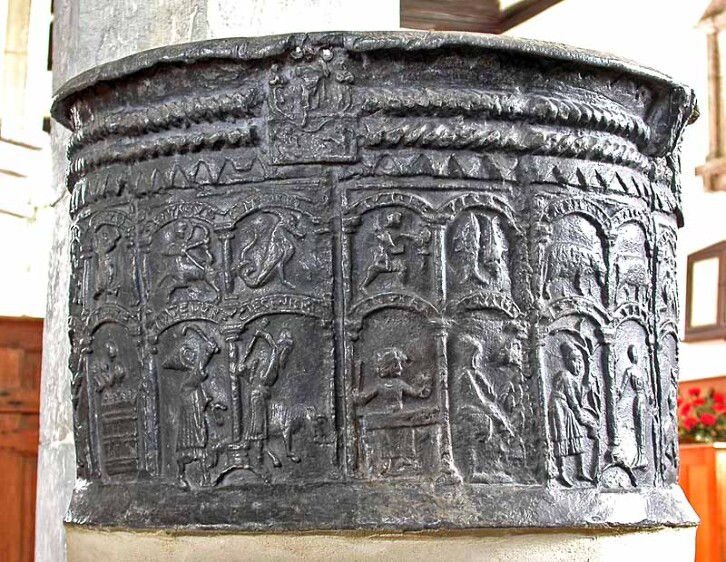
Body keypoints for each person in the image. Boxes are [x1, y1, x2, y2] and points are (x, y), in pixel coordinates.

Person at [355, 348, 431, 475]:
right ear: (389, 367)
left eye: (400, 364)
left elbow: (415, 393)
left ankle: (402, 460)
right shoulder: (386, 385)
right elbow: (363, 399)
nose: (400, 367)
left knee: (404, 433)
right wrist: (357, 397)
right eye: (397, 364)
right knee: (390, 436)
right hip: (389, 417)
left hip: (396, 416)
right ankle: (387, 462)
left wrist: (424, 382)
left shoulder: (394, 384)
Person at [549, 341, 598, 486]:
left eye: (580, 362)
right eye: (576, 361)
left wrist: (587, 386)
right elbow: (574, 403)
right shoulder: (565, 375)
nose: (579, 365)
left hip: (565, 408)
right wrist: (588, 422)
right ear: (567, 361)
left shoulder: (572, 378)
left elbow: (578, 398)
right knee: (561, 436)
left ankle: (581, 470)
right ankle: (562, 471)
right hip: (559, 406)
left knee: (576, 434)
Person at [618, 345, 654, 469]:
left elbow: (621, 388)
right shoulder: (637, 371)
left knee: (640, 427)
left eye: (636, 353)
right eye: (634, 353)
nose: (636, 355)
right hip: (640, 399)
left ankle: (642, 457)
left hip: (639, 400)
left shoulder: (633, 371)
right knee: (639, 427)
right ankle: (640, 457)